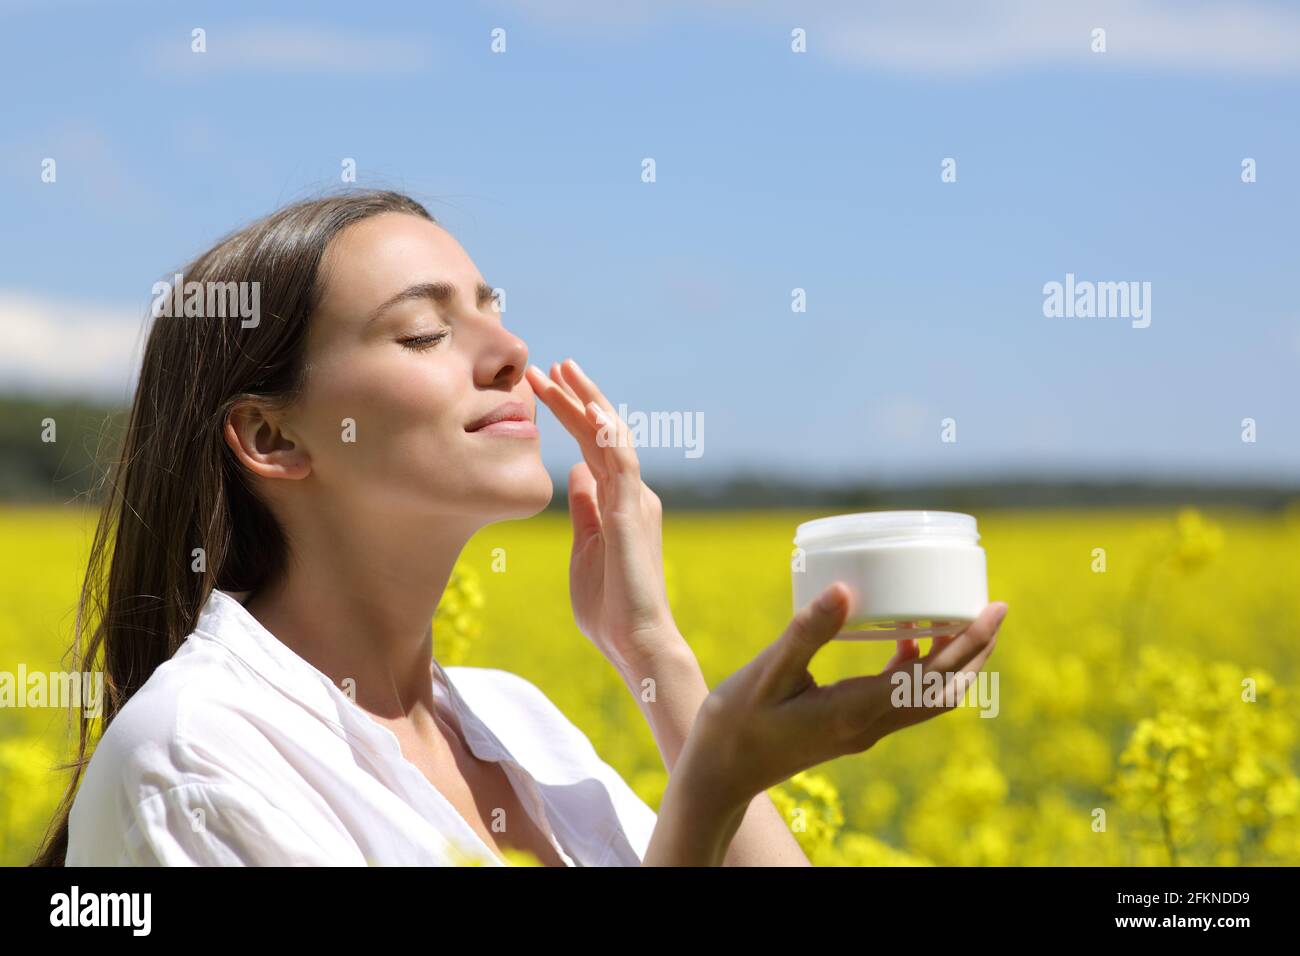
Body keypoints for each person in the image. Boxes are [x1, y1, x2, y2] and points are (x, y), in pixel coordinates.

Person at [32, 190, 1006, 867]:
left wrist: (652, 649)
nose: (509, 354)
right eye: (423, 332)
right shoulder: (199, 756)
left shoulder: (519, 722)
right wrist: (705, 791)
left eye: (495, 312)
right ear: (273, 435)